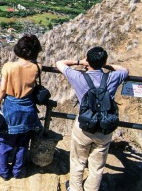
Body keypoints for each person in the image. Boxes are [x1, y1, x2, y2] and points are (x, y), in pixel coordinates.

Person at [56, 47, 129, 191]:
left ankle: (75, 189)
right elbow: (125, 69)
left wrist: (79, 61)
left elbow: (59, 63)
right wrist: (106, 65)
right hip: (104, 127)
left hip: (84, 126)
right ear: (104, 61)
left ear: (87, 61)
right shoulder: (113, 77)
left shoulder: (79, 77)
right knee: (97, 166)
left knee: (77, 161)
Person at [0, 34, 43, 180]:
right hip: (28, 108)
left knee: (5, 143)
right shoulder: (37, 68)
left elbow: (2, 89)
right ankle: (17, 171)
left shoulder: (8, 67)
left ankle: (3, 172)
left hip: (11, 108)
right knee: (23, 143)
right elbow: (35, 63)